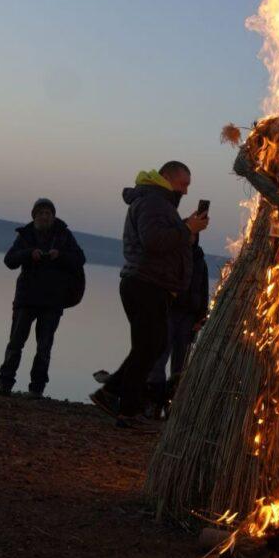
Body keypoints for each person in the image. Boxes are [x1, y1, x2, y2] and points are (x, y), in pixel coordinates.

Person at [90, 162, 208, 431]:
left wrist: (185, 229)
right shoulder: (154, 202)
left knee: (149, 346)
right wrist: (187, 228)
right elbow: (154, 241)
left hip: (150, 285)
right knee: (149, 347)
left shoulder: (160, 203)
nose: (186, 191)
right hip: (145, 284)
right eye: (184, 183)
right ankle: (125, 408)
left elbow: (164, 241)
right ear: (167, 178)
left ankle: (114, 397)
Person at [0, 198, 86, 397]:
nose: (44, 216)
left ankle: (37, 389)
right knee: (16, 343)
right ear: (34, 215)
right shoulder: (25, 235)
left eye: (48, 213)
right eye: (41, 213)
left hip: (52, 302)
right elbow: (9, 260)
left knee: (44, 347)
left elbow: (80, 259)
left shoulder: (64, 235)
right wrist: (28, 253)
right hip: (26, 299)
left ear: (53, 216)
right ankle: (5, 383)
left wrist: (58, 255)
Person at [145, 238, 210, 417]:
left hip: (189, 316)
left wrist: (200, 317)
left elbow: (203, 290)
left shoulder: (199, 261)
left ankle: (172, 404)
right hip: (169, 311)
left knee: (180, 363)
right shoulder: (172, 255)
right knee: (160, 357)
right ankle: (154, 401)